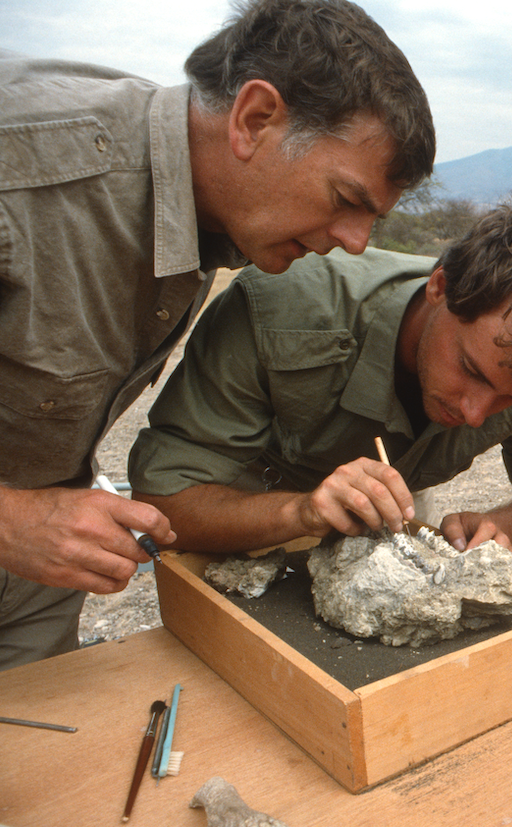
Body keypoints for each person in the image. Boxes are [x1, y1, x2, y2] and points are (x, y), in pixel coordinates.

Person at [0, 0, 437, 669]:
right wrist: (13, 522)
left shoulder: (217, 210)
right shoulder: (26, 173)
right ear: (255, 119)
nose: (356, 244)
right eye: (348, 200)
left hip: (32, 585)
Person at [127, 185, 512, 561]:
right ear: (440, 287)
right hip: (248, 522)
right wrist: (301, 512)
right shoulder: (282, 307)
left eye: (508, 400)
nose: (475, 415)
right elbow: (163, 504)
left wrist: (502, 525)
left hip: (393, 521)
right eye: (470, 371)